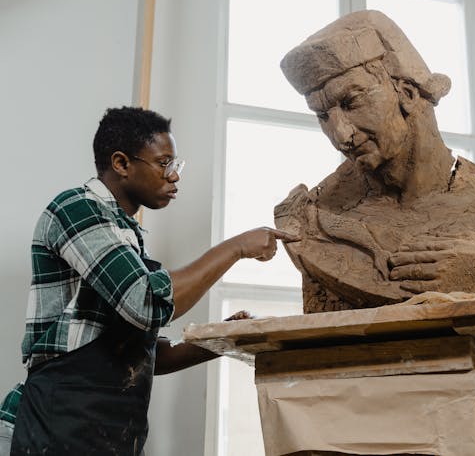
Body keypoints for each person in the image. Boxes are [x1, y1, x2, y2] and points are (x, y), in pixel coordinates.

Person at [0, 106, 296, 455]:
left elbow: (140, 356)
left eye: (175, 165)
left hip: (105, 435)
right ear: (122, 164)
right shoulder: (75, 210)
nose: (174, 176)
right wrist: (236, 248)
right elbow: (146, 303)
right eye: (164, 164)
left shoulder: (126, 234)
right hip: (54, 427)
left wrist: (225, 338)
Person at [275, 10, 475, 313]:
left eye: (351, 102)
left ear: (406, 93)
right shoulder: (308, 217)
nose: (340, 135)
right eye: (323, 116)